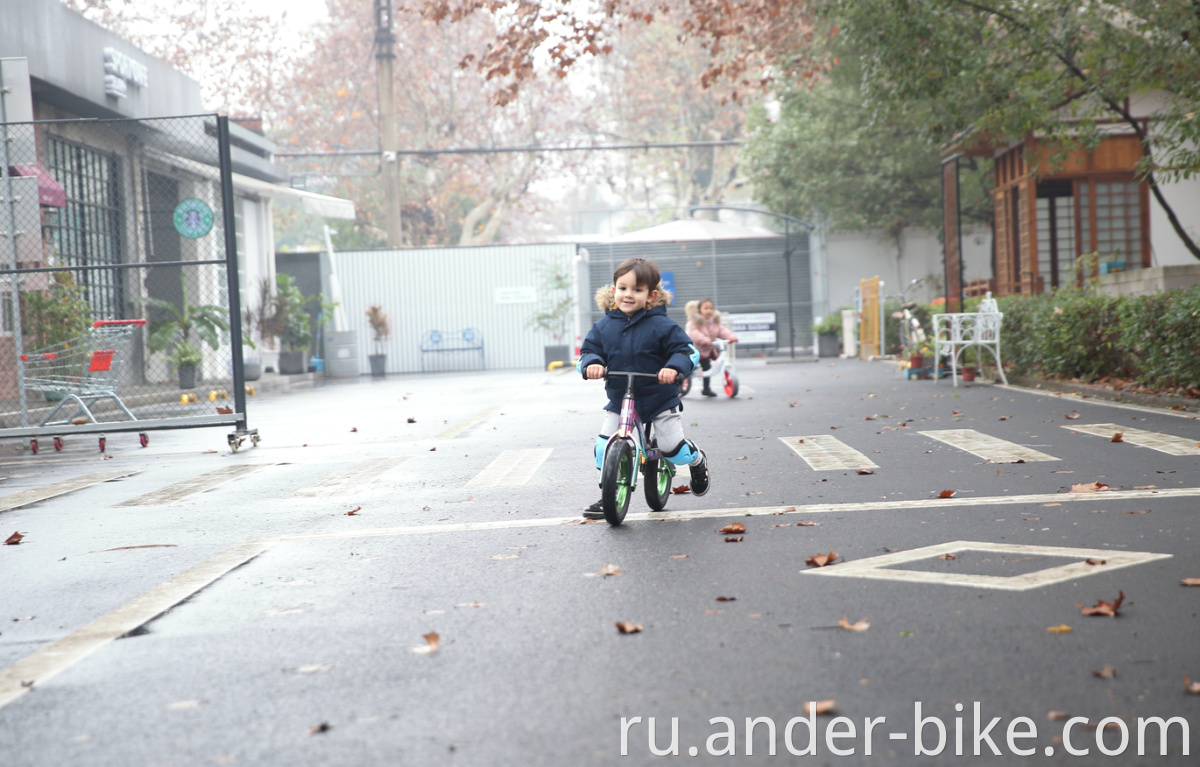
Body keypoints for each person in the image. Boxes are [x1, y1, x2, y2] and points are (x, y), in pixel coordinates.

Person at [578, 257, 710, 519]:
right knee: (604, 446)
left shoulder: (662, 326)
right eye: (623, 288)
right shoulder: (604, 327)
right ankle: (609, 495)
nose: (628, 295)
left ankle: (697, 461)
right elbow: (588, 351)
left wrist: (673, 367)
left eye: (637, 290)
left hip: (659, 398)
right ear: (613, 290)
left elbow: (688, 351)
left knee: (672, 448)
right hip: (620, 398)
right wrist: (592, 363)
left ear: (650, 296)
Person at [684, 298, 740, 396]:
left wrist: (731, 337)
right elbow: (693, 333)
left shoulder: (714, 322)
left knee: (707, 367)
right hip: (694, 350)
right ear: (699, 310)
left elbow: (722, 330)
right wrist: (705, 340)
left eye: (711, 308)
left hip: (707, 350)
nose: (709, 310)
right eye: (706, 308)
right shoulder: (693, 322)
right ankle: (684, 379)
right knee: (691, 367)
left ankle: (706, 389)